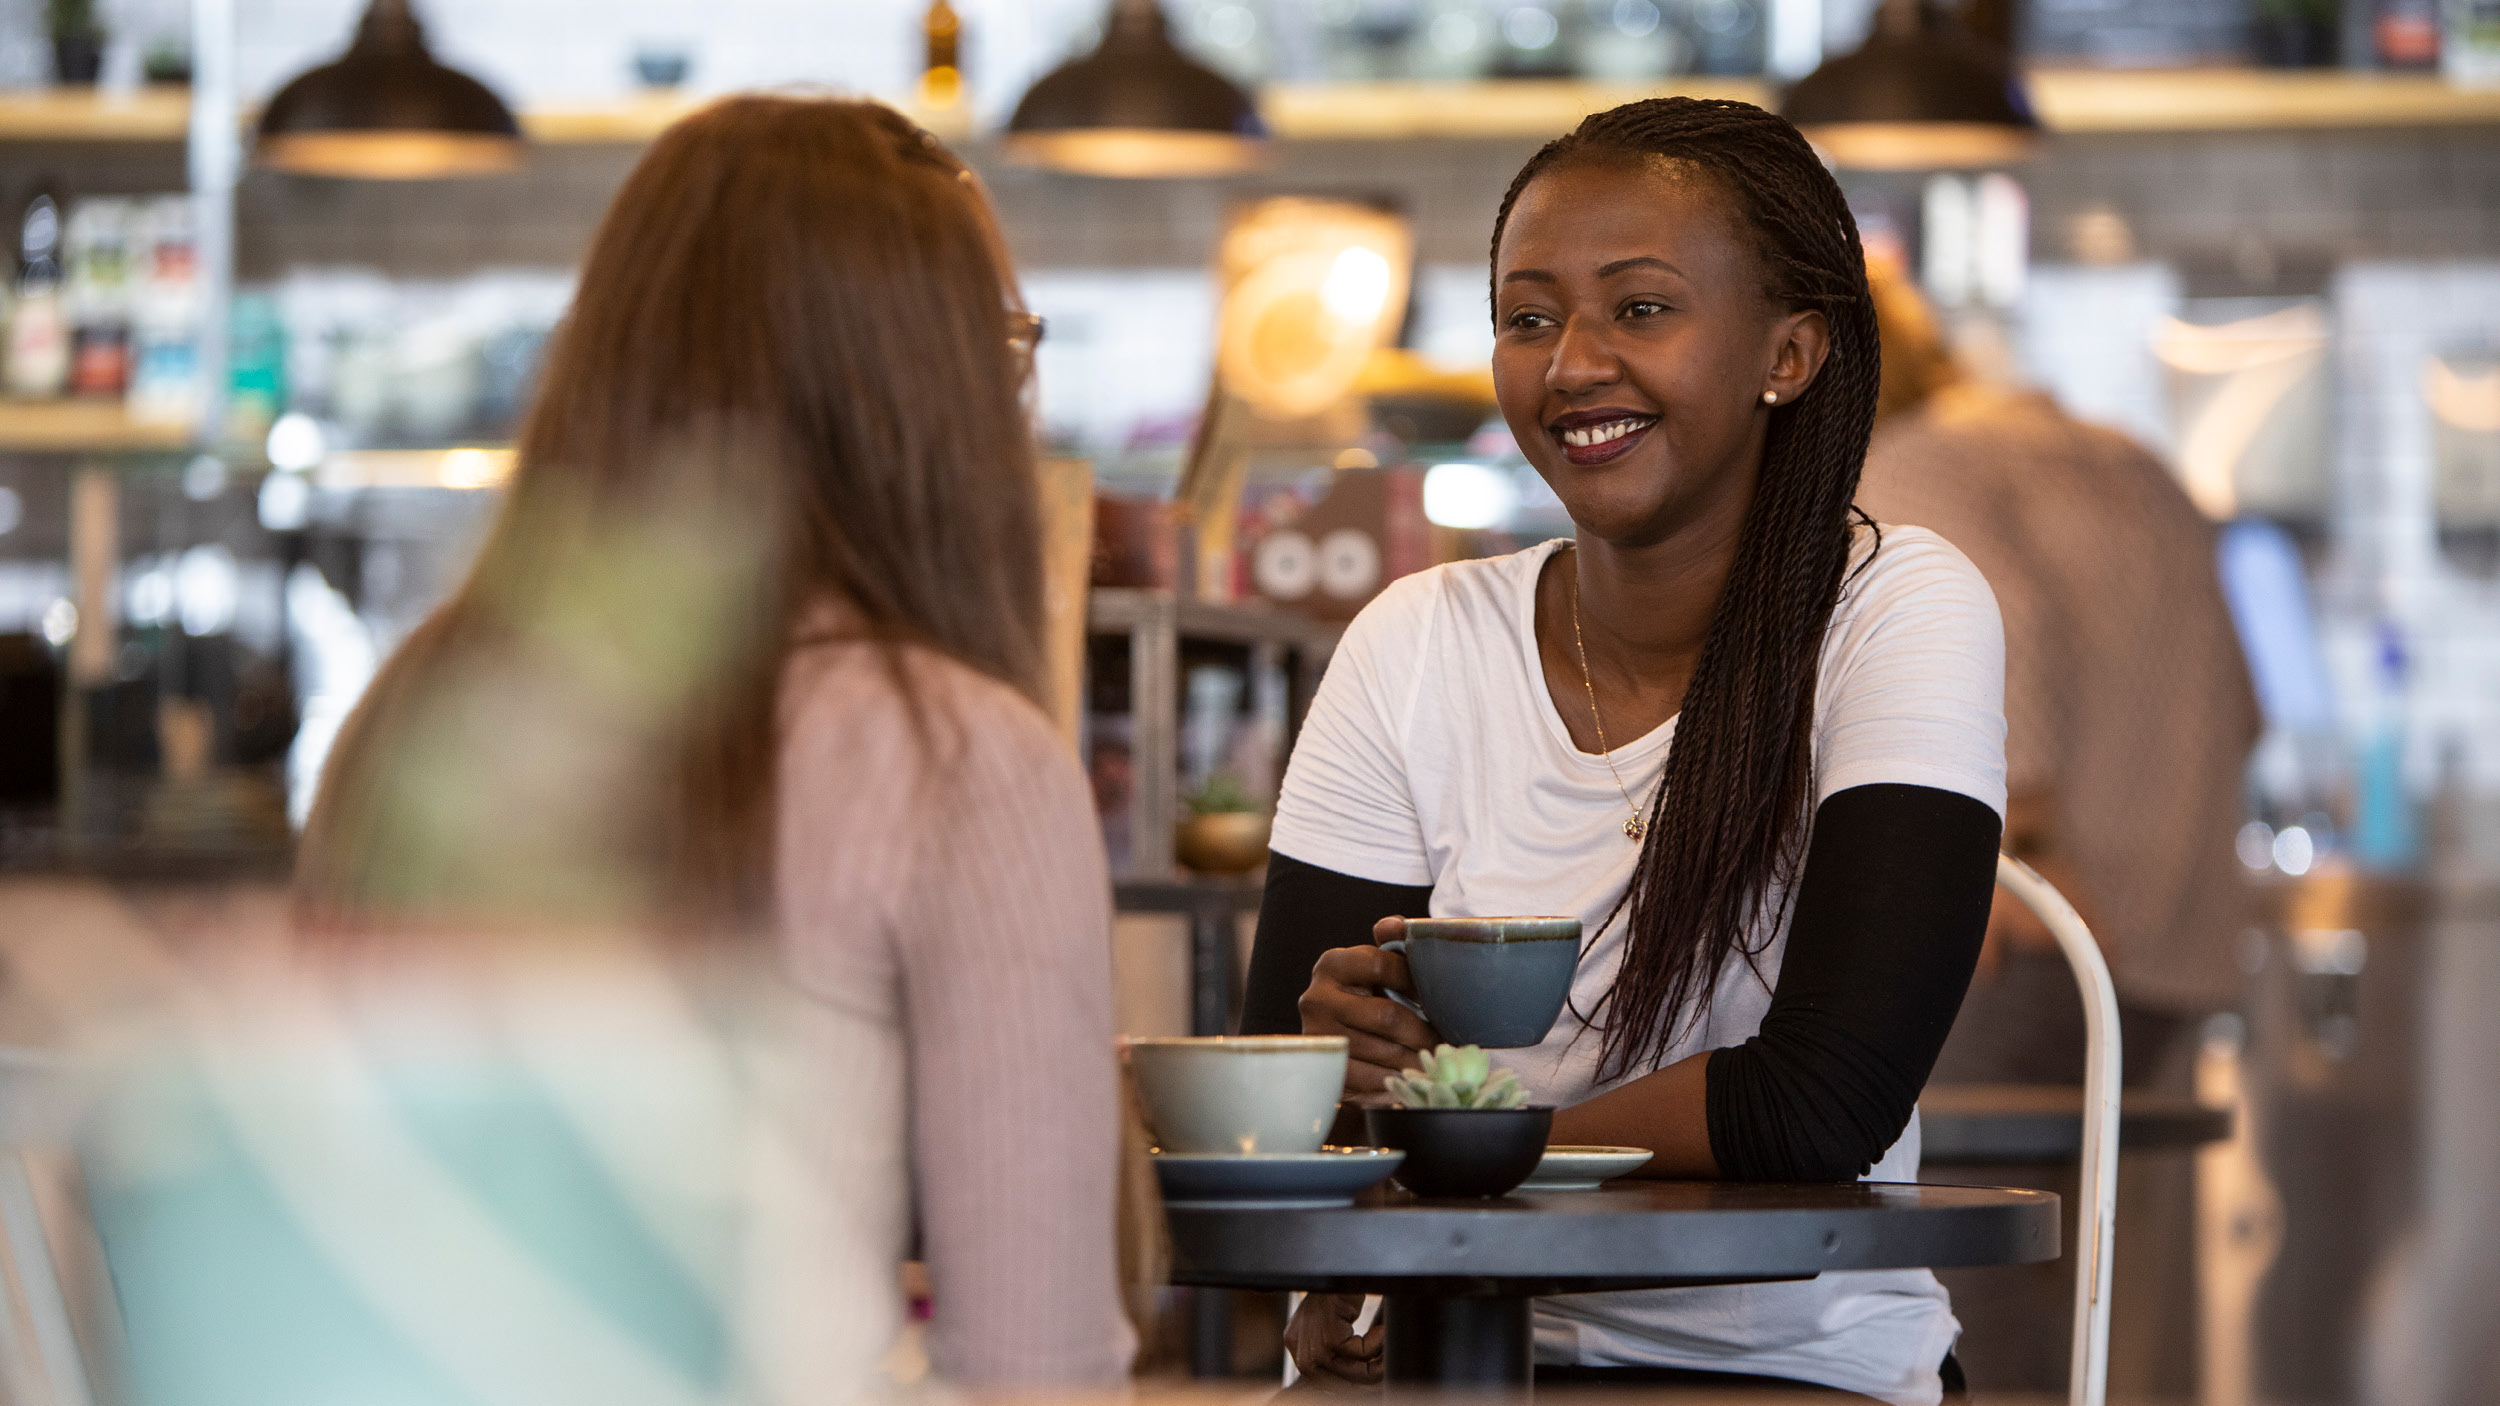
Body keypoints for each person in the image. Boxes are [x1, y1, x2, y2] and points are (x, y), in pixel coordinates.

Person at [290, 97, 1137, 1389]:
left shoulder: (415, 711)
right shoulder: (956, 755)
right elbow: (1036, 1364)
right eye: (1003, 350)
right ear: (925, 390)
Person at [1240, 99, 2003, 1405]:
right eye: (1528, 317)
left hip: (1790, 1375)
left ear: (1792, 350)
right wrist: (1321, 1067)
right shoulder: (1416, 639)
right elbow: (1274, 1116)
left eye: (1640, 309)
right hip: (1447, 1368)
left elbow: (1821, 1101)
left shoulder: (1895, 609)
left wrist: (1450, 1165)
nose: (1571, 363)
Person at [1854, 255, 2259, 1396]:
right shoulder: (2134, 466)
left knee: (1959, 1268)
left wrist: (2021, 844)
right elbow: (2247, 703)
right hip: (2170, 947)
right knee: (2057, 1278)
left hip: (2030, 938)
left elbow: (2000, 639)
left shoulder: (1914, 465)